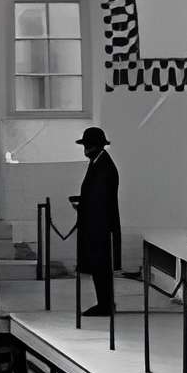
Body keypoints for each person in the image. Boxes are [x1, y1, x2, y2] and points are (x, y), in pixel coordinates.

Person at [74, 125, 121, 315]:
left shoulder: (103, 166)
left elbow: (100, 198)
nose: (85, 150)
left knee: (101, 266)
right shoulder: (98, 162)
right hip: (96, 224)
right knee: (98, 266)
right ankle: (104, 303)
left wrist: (83, 207)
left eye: (87, 145)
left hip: (100, 227)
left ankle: (105, 304)